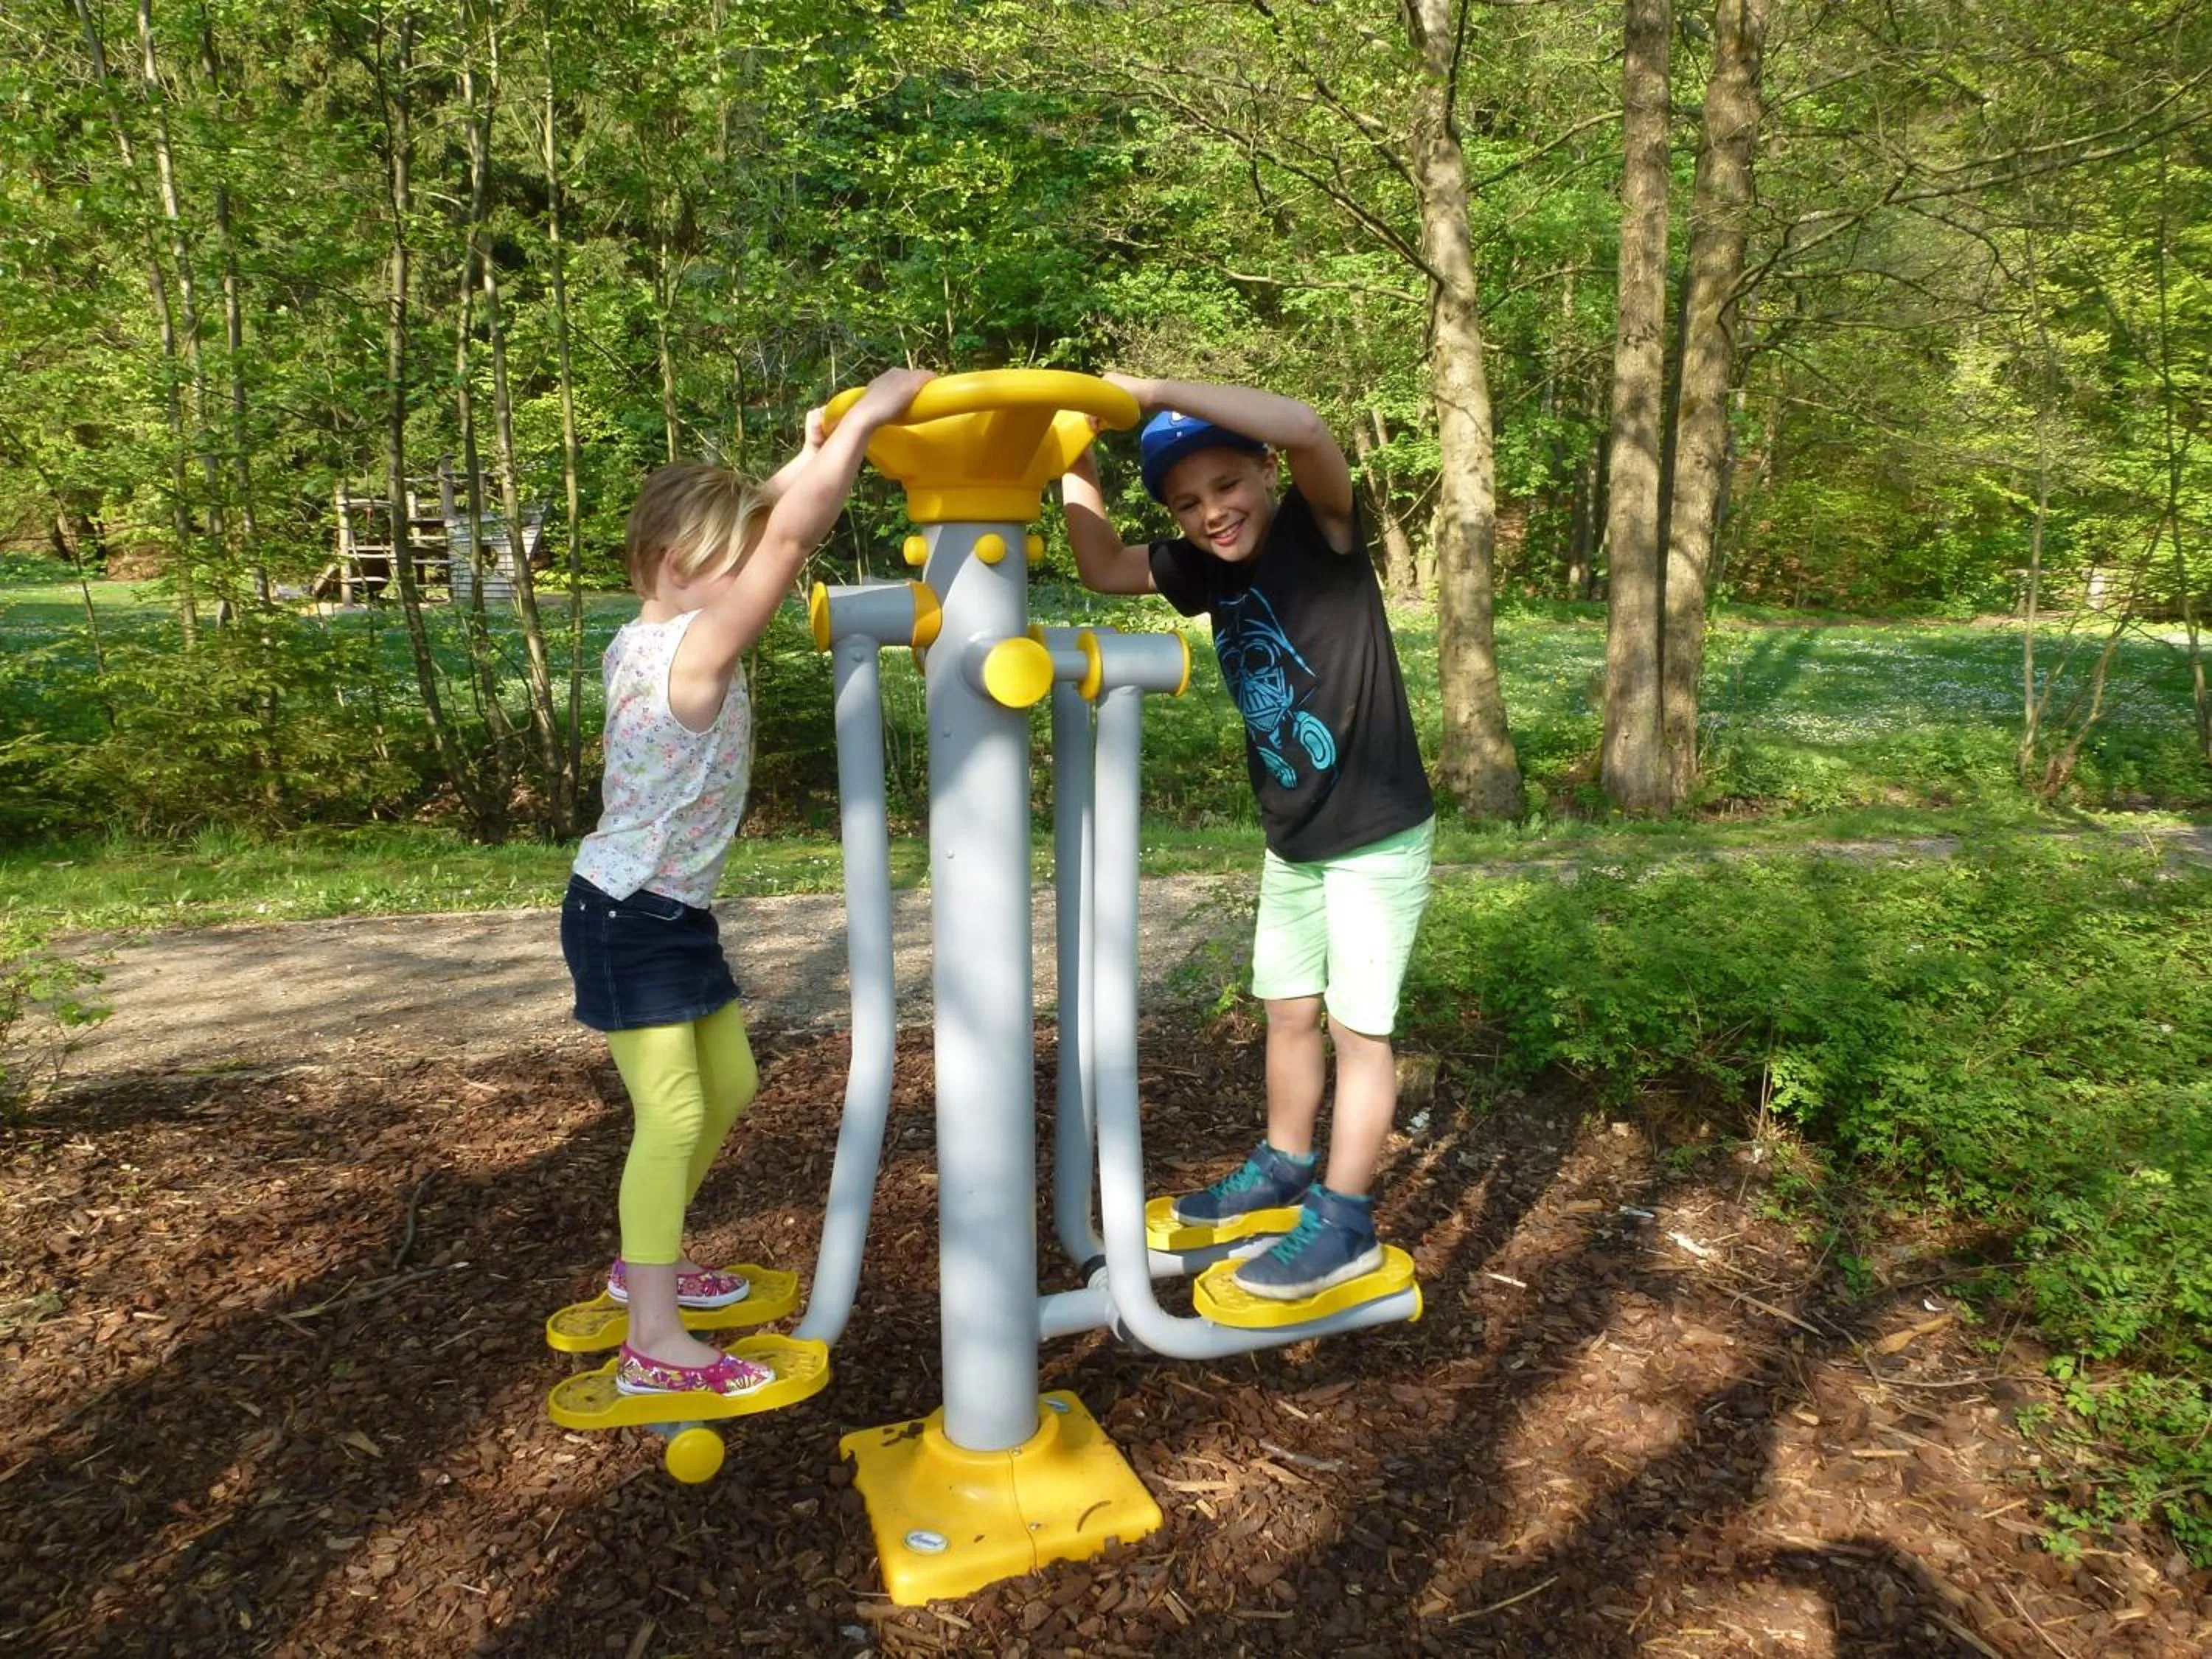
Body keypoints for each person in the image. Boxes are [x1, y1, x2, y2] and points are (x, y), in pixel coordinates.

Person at [563, 366, 934, 1397]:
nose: (759, 581)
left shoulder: (648, 630)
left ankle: (651, 1258)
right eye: (735, 566)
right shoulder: (696, 656)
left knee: (730, 1086)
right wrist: (862, 423)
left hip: (662, 911)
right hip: (627, 914)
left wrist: (814, 448)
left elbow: (762, 518)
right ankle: (652, 1338)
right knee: (674, 1114)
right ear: (681, 567)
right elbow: (784, 538)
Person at [1060, 375, 1435, 1300]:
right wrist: (1071, 450)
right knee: (1288, 1011)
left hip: (1377, 832)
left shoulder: (1323, 530)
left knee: (1358, 1031)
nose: (1211, 512)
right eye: (1188, 503)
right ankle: (1284, 1163)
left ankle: (1343, 1220)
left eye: (1227, 485)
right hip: (1295, 836)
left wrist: (1146, 390)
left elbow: (1310, 424)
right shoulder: (1207, 568)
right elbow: (1103, 565)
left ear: (1265, 474)